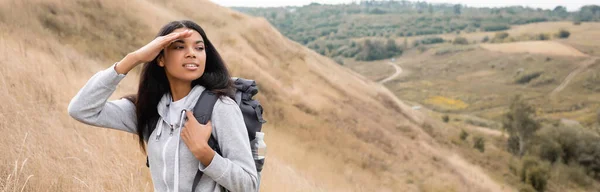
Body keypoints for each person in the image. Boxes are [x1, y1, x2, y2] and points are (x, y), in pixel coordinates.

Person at [68, 20, 258, 192]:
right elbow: (82, 109)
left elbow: (249, 185)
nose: (191, 53)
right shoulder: (149, 111)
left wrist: (204, 152)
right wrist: (134, 58)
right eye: (179, 47)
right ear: (160, 59)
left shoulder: (220, 107)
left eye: (199, 48)